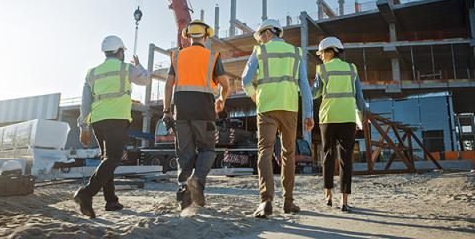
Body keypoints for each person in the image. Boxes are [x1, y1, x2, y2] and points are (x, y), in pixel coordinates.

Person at [242, 19, 314, 218]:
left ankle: (265, 201)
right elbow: (304, 86)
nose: (260, 40)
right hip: (290, 108)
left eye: (260, 36)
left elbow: (245, 80)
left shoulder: (260, 51)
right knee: (288, 154)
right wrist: (308, 113)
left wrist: (255, 96)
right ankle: (288, 202)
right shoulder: (296, 52)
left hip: (266, 108)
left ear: (267, 33)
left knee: (264, 152)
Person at [74, 35, 153, 218]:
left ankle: (111, 201)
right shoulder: (126, 68)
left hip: (97, 120)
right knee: (113, 158)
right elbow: (146, 80)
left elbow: (85, 103)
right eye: (122, 52)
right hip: (116, 119)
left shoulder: (92, 72)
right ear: (119, 52)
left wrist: (83, 126)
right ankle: (86, 194)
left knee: (106, 159)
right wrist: (139, 66)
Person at [163, 20, 230, 210]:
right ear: (206, 36)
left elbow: (169, 85)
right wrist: (221, 100)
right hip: (204, 111)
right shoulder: (212, 56)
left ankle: (185, 192)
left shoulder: (177, 56)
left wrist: (166, 110)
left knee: (185, 153)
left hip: (181, 111)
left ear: (188, 35)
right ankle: (197, 182)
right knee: (207, 150)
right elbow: (226, 85)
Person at [312, 36, 365, 212]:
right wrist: (361, 116)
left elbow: (315, 93)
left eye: (322, 53)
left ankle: (328, 196)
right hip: (348, 117)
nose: (320, 57)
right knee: (346, 159)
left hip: (328, 118)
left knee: (327, 155)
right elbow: (359, 97)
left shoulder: (322, 70)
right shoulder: (352, 69)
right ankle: (344, 201)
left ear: (331, 51)